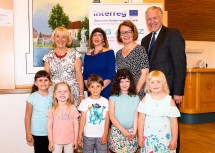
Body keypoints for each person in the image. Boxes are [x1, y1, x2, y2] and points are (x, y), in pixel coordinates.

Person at [141, 6, 187, 153]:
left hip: (169, 91)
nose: (152, 21)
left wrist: (178, 92)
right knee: (154, 126)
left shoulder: (172, 34)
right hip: (151, 93)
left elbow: (180, 64)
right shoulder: (145, 40)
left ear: (161, 18)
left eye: (155, 18)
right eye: (149, 19)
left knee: (171, 125)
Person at [137, 70, 180, 153]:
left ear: (164, 84)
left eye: (158, 82)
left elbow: (173, 122)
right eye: (152, 82)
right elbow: (141, 119)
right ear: (148, 85)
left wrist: (174, 140)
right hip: (149, 139)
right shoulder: (145, 100)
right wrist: (140, 137)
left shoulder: (169, 101)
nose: (155, 84)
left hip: (165, 140)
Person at [43, 26, 84, 108]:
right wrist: (45, 94)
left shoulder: (75, 54)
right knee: (55, 118)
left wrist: (81, 95)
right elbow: (46, 78)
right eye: (57, 36)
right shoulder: (48, 56)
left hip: (72, 94)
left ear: (67, 39)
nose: (60, 40)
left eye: (63, 37)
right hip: (55, 94)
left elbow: (79, 76)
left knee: (73, 119)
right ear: (54, 38)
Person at [116, 20, 149, 99]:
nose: (126, 35)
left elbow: (145, 73)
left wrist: (134, 93)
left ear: (133, 33)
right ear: (120, 36)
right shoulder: (118, 53)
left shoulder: (140, 50)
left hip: (137, 95)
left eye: (129, 32)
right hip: (123, 95)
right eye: (123, 33)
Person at [108, 68, 139, 153]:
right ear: (117, 83)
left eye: (127, 81)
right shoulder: (113, 97)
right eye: (121, 81)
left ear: (131, 82)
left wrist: (135, 131)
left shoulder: (136, 98)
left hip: (131, 132)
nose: (124, 84)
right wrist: (123, 130)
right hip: (117, 131)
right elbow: (111, 116)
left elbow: (136, 116)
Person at [78, 74, 109, 153]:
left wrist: (105, 133)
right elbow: (82, 119)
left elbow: (107, 120)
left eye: (98, 86)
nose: (95, 89)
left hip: (101, 135)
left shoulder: (106, 102)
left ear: (102, 87)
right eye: (92, 86)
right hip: (88, 135)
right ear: (88, 88)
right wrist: (79, 134)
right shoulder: (85, 102)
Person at [83, 27, 116, 99]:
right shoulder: (87, 55)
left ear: (103, 39)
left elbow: (111, 73)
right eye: (95, 35)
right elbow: (85, 74)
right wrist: (91, 88)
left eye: (99, 35)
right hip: (91, 92)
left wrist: (99, 88)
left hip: (106, 90)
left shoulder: (109, 52)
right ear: (91, 38)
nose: (97, 37)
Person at [24, 70, 52, 153]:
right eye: (40, 80)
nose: (43, 82)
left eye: (46, 80)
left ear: (50, 82)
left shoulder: (54, 96)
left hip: (52, 132)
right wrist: (28, 133)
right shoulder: (32, 97)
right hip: (37, 133)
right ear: (35, 83)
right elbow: (27, 117)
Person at [47, 82, 79, 153]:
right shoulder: (52, 109)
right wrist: (51, 141)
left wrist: (75, 140)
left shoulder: (73, 108)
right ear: (55, 94)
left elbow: (76, 125)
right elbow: (49, 126)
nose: (62, 93)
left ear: (69, 94)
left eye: (65, 91)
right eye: (59, 91)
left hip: (70, 141)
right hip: (56, 141)